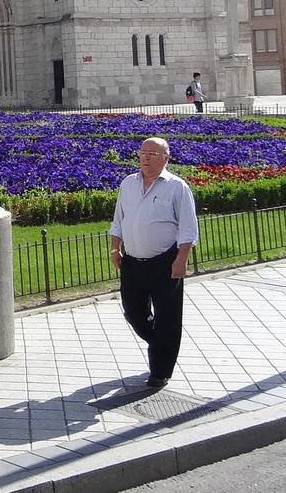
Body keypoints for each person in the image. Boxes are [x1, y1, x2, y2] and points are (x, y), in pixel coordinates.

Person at [109, 136, 199, 388]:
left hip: (165, 262)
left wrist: (181, 260)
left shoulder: (176, 187)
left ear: (166, 158)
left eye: (153, 154)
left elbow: (188, 229)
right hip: (132, 263)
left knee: (168, 316)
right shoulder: (128, 184)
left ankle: (160, 371)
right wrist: (115, 248)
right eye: (142, 153)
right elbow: (119, 219)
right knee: (134, 313)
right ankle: (160, 342)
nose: (146, 158)